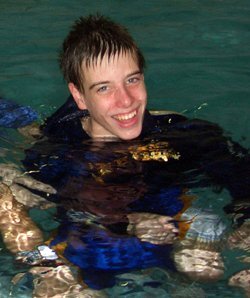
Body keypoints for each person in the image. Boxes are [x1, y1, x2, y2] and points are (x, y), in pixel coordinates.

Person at [0, 14, 249, 295]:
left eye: (132, 80)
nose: (126, 100)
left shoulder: (183, 135)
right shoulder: (57, 149)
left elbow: (242, 178)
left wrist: (245, 222)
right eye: (104, 87)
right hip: (96, 242)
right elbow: (62, 204)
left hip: (168, 222)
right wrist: (127, 223)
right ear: (80, 96)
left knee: (204, 269)